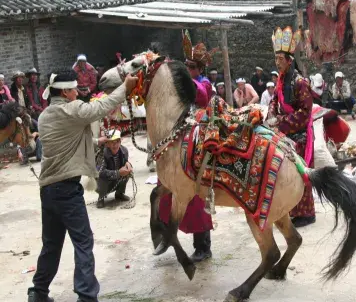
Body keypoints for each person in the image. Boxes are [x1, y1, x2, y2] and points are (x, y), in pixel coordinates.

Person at [27, 69, 138, 302]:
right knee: (83, 242)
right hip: (67, 190)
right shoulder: (73, 110)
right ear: (66, 91)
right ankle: (87, 296)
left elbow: (70, 139)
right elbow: (101, 107)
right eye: (74, 89)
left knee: (51, 244)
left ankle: (38, 293)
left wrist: (99, 141)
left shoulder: (47, 115)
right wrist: (125, 87)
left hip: (47, 190)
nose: (77, 93)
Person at [158, 32, 216, 262]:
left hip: (200, 141)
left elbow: (200, 97)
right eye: (186, 65)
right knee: (165, 193)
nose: (188, 68)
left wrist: (183, 78)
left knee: (196, 199)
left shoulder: (205, 84)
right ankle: (167, 235)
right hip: (181, 137)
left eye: (191, 66)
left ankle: (203, 246)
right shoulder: (185, 84)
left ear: (199, 69)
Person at [267, 26, 315, 228]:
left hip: (299, 133)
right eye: (276, 59)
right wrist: (270, 113)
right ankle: (291, 209)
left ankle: (307, 213)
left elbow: (305, 112)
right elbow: (274, 100)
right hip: (285, 131)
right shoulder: (280, 81)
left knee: (300, 173)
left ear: (289, 61)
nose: (278, 63)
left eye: (280, 60)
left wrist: (281, 122)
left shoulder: (300, 82)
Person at [96, 129, 132, 208]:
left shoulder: (124, 151)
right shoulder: (102, 153)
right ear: (107, 143)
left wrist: (128, 164)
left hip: (116, 178)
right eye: (112, 142)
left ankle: (119, 193)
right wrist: (118, 173)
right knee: (101, 178)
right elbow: (100, 172)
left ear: (120, 141)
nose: (115, 144)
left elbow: (125, 161)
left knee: (128, 173)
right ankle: (101, 198)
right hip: (105, 181)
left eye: (117, 141)